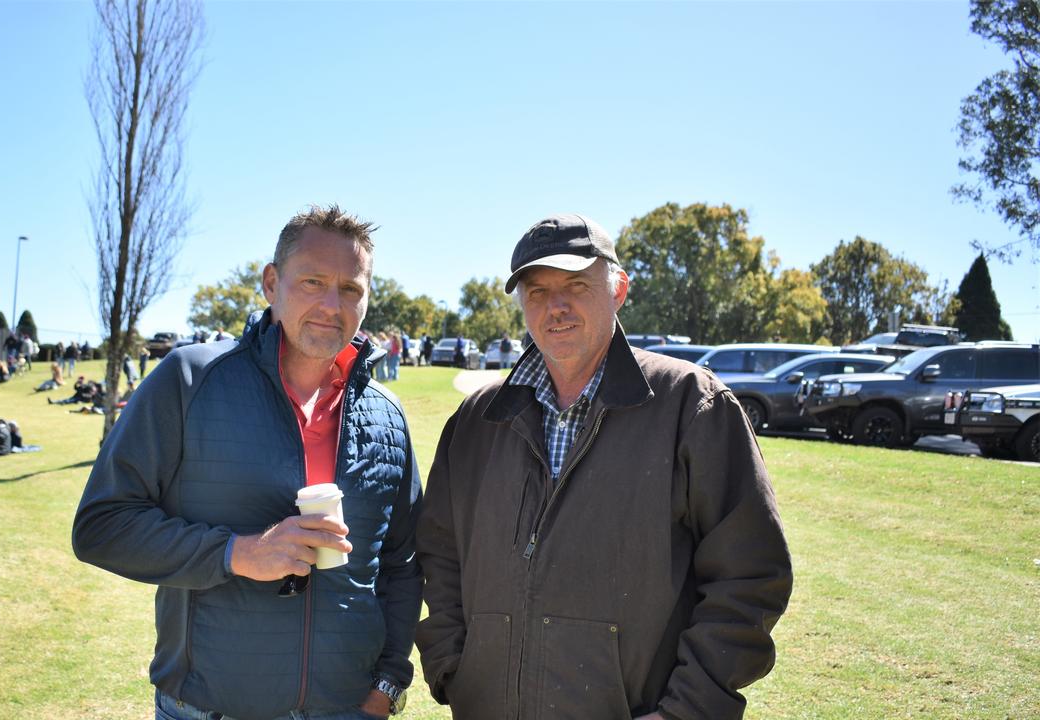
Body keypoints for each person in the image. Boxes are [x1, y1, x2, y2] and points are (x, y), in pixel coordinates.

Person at [414, 214, 793, 720]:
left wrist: (690, 710)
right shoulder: (477, 420)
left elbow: (749, 575)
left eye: (575, 285)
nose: (557, 307)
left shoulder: (691, 405)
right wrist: (452, 667)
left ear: (618, 290)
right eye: (537, 290)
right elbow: (439, 553)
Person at [73, 204, 423, 720]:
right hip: (210, 706)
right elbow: (101, 526)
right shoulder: (190, 379)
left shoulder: (387, 415)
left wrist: (387, 685)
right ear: (271, 283)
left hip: (347, 709)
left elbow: (403, 562)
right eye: (312, 281)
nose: (332, 304)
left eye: (351, 288)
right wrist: (237, 553)